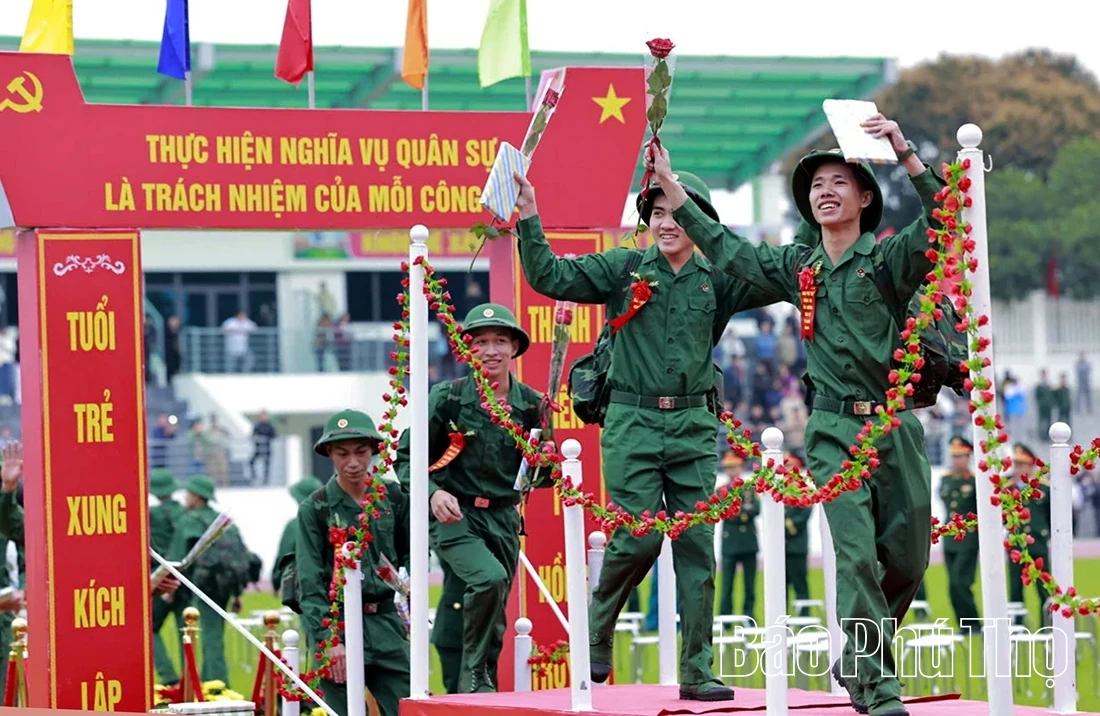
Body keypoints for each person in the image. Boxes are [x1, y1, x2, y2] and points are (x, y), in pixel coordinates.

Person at [648, 113, 946, 716]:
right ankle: (879, 687)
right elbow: (729, 249)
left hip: (896, 425)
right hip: (833, 429)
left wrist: (905, 153)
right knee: (856, 553)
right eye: (815, 185)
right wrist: (675, 193)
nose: (826, 191)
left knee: (910, 557)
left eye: (840, 181)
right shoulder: (798, 268)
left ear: (866, 197)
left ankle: (861, 654)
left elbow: (944, 221)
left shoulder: (888, 262)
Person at [512, 167, 786, 702]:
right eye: (656, 213)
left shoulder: (720, 278)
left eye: (676, 211)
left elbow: (779, 277)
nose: (665, 222)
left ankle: (698, 668)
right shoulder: (625, 267)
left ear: (699, 221)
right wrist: (528, 213)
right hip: (632, 422)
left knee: (697, 547)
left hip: (694, 423)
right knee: (637, 535)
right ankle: (597, 627)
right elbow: (549, 277)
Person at [395, 303, 543, 693]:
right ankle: (474, 677)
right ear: (467, 350)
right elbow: (408, 457)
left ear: (513, 348)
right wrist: (432, 492)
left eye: (499, 341)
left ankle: (478, 690)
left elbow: (542, 476)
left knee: (495, 611)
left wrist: (544, 464)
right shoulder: (447, 398)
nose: (490, 351)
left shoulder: (532, 404)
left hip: (504, 517)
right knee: (488, 578)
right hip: (453, 514)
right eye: (480, 342)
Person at [298, 410, 411, 716]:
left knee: (408, 708)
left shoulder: (394, 496)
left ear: (373, 451)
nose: (353, 463)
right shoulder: (315, 507)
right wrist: (330, 641)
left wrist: (408, 599)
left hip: (387, 623)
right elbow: (309, 582)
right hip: (338, 630)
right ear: (329, 454)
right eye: (342, 454)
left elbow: (412, 555)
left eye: (361, 452)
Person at [149, 468, 187, 685]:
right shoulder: (183, 512)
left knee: (150, 628)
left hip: (161, 578)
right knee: (187, 630)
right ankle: (189, 676)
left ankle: (168, 674)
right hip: (185, 578)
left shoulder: (152, 514)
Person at [1006, 443, 1050, 628]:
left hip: (1037, 541)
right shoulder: (1007, 488)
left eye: (1023, 464)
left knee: (1043, 587)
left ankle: (1046, 626)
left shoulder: (1044, 488)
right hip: (1016, 543)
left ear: (1031, 466)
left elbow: (1050, 514)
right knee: (1015, 589)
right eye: (1016, 464)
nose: (1019, 468)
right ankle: (1018, 628)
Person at [940, 436, 979, 630]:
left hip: (968, 538)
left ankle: (973, 624)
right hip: (950, 540)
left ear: (968, 456)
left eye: (961, 456)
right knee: (952, 586)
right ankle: (964, 626)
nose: (957, 461)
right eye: (954, 457)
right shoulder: (945, 479)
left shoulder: (975, 481)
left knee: (960, 583)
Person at [718, 452, 757, 620]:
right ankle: (725, 618)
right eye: (729, 468)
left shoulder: (749, 488)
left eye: (734, 467)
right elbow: (724, 512)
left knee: (750, 585)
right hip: (730, 541)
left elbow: (756, 509)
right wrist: (743, 511)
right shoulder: (722, 490)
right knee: (727, 584)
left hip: (748, 541)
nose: (732, 471)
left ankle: (749, 616)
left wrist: (739, 512)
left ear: (741, 468)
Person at [783, 454, 812, 617]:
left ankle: (804, 616)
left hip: (797, 544)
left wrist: (785, 527)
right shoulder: (780, 488)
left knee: (800, 583)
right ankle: (783, 616)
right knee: (781, 585)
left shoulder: (803, 490)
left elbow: (803, 516)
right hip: (781, 546)